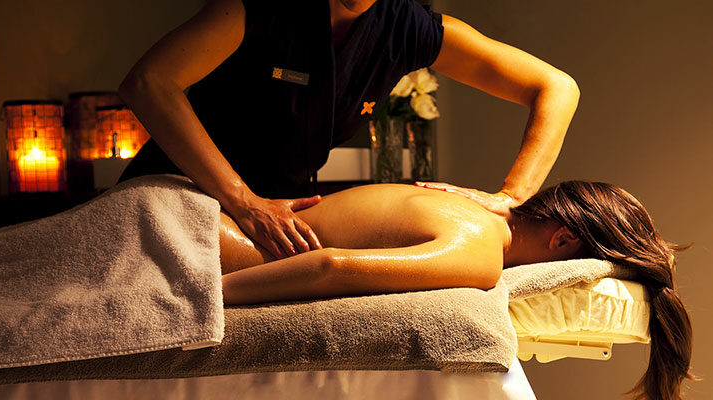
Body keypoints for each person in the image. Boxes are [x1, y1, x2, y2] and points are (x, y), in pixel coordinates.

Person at [117, 0, 581, 262]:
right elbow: (149, 83)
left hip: (277, 219)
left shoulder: (407, 27)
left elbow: (556, 87)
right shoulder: (259, 6)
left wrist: (512, 197)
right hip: (175, 198)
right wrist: (243, 201)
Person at [219, 180, 693, 400]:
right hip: (202, 245)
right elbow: (329, 266)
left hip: (196, 214)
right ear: (563, 239)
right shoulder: (480, 253)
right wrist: (207, 294)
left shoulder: (465, 202)